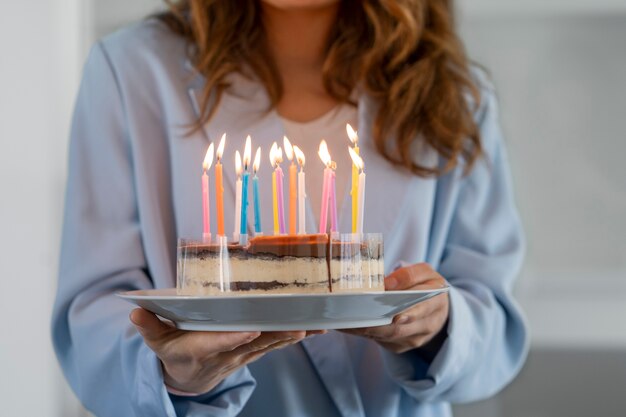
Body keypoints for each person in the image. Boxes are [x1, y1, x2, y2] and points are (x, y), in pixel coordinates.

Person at [51, 0, 529, 416]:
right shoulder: (131, 70)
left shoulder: (454, 96)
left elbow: (495, 324)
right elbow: (93, 315)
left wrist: (441, 327)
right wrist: (169, 371)